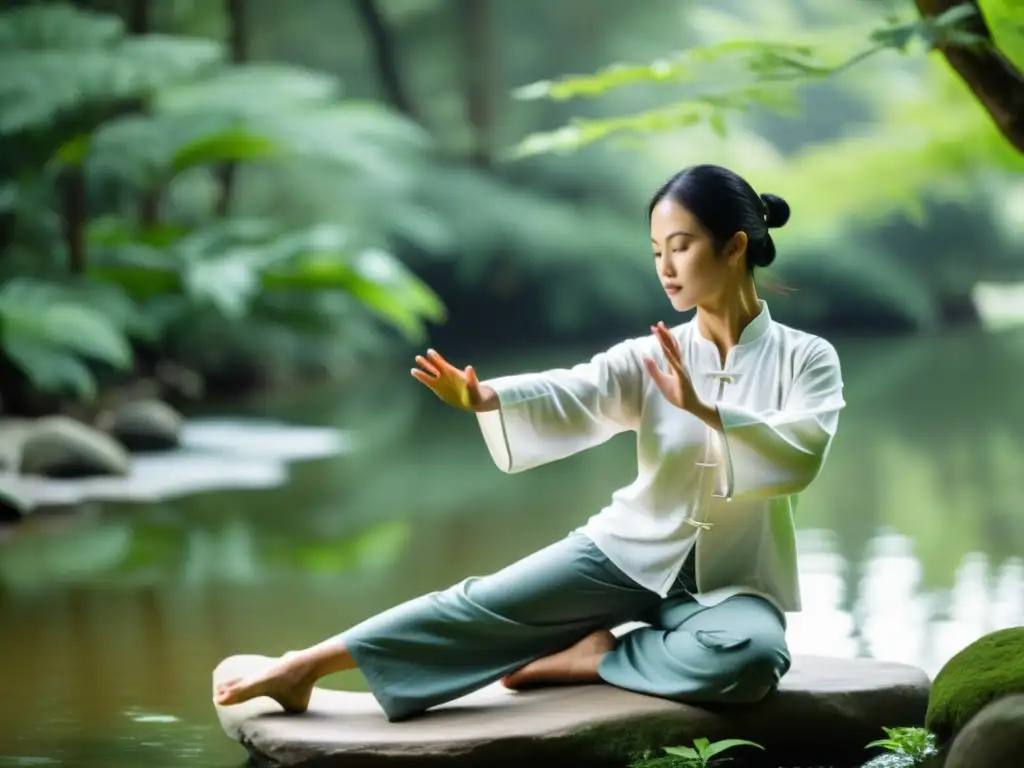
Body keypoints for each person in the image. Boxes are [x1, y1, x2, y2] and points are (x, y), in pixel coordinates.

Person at [213, 163, 846, 722]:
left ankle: (592, 658)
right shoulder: (653, 353)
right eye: (656, 251)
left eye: (680, 247)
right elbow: (575, 390)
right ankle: (303, 668)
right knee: (479, 605)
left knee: (752, 661)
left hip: (731, 583)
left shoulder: (807, 359)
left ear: (734, 246)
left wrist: (704, 408)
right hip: (629, 550)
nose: (665, 268)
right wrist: (487, 398)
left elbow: (802, 453)